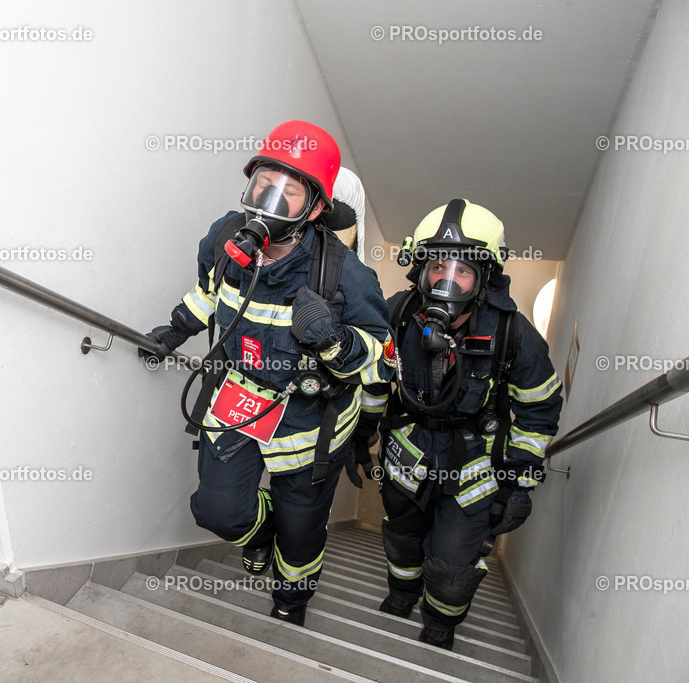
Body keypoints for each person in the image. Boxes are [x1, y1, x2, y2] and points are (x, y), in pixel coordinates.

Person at [141, 120, 394, 626]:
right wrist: (175, 330)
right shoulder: (224, 237)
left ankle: (290, 601)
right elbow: (211, 293)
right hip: (239, 398)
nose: (268, 201)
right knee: (217, 511)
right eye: (263, 183)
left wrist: (332, 340)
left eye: (289, 192)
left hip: (309, 422)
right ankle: (259, 535)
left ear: (316, 208)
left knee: (300, 536)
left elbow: (379, 358)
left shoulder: (346, 276)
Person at [347, 199, 563, 649]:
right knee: (403, 536)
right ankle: (403, 591)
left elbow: (539, 407)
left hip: (474, 463)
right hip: (406, 449)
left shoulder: (512, 333)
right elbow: (368, 374)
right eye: (438, 265)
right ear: (421, 269)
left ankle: (442, 619)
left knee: (453, 561)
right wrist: (358, 437)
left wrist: (519, 481)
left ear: (485, 277)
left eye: (462, 270)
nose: (447, 279)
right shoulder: (398, 314)